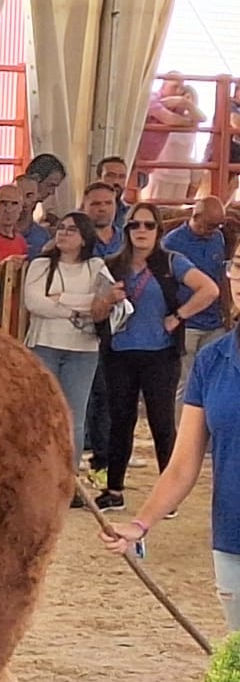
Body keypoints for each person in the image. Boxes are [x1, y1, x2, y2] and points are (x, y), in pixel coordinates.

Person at [108, 289, 240, 631]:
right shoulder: (213, 360)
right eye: (238, 265)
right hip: (233, 538)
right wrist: (140, 525)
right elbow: (182, 464)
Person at [95, 202, 221, 510]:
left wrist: (178, 315)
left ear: (158, 231)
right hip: (120, 353)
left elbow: (210, 289)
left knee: (162, 423)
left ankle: (169, 495)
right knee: (120, 422)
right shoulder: (110, 265)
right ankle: (114, 489)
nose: (141, 231)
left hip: (160, 354)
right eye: (135, 225)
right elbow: (94, 311)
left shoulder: (172, 262)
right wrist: (108, 300)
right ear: (126, 231)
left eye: (148, 225)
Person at [23, 211, 122, 459]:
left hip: (83, 350)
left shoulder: (96, 266)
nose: (63, 233)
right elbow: (34, 303)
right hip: (44, 344)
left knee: (74, 417)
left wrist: (62, 299)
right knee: (41, 414)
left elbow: (110, 299)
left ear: (85, 238)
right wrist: (78, 311)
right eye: (61, 228)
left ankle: (70, 478)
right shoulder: (41, 264)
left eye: (71, 229)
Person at [166, 196, 232, 394]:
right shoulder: (172, 243)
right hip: (187, 323)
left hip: (214, 322)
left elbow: (221, 276)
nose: (214, 229)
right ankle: (182, 425)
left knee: (214, 377)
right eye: (210, 225)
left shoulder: (217, 238)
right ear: (197, 216)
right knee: (184, 382)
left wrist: (226, 311)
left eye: (218, 225)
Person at [143, 73, 203, 202]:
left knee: (175, 210)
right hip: (161, 170)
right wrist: (189, 123)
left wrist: (187, 105)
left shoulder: (190, 117)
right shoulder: (164, 107)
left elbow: (202, 118)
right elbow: (169, 119)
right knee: (155, 206)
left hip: (181, 173)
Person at [0, 183, 31, 263]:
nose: (9, 210)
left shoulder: (21, 242)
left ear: (21, 207)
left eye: (14, 204)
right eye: (4, 204)